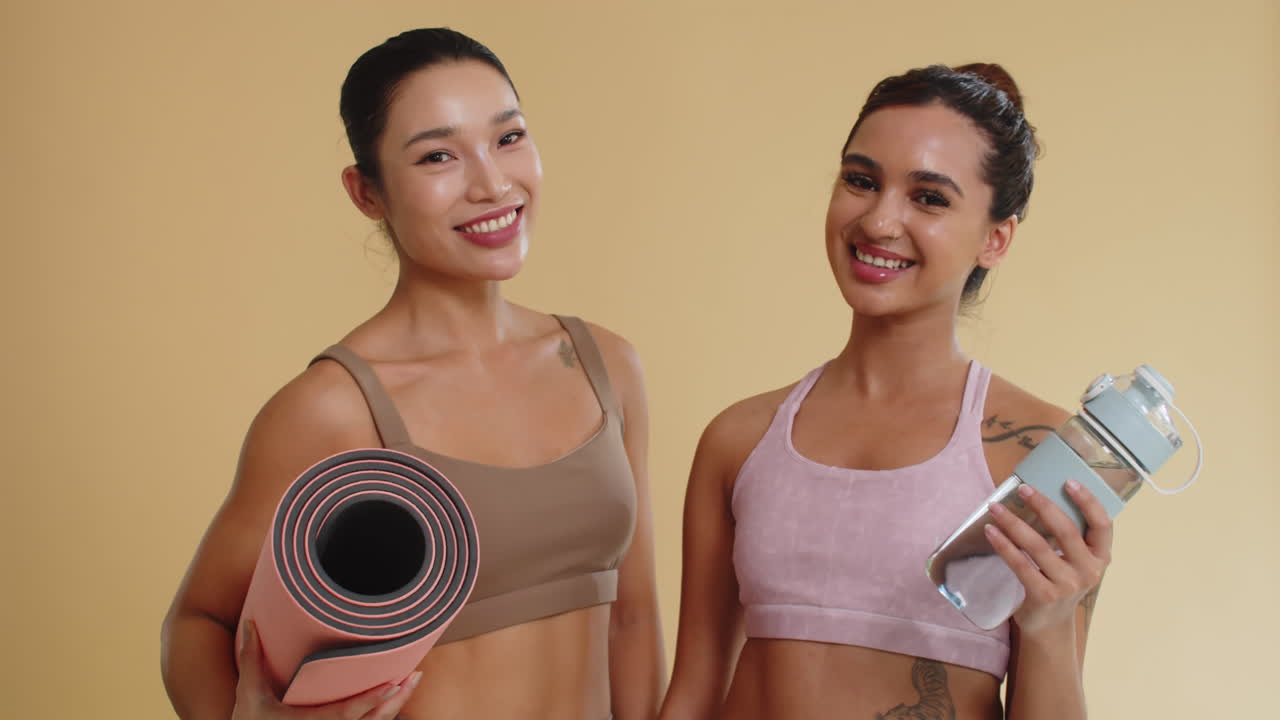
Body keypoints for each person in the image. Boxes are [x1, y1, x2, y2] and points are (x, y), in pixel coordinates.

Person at [161, 28, 664, 720]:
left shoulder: (605, 364)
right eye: (437, 156)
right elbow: (198, 623)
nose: (491, 183)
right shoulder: (332, 408)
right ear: (367, 193)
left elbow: (633, 621)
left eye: (508, 138)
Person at [658, 63, 1111, 719]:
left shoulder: (1040, 454)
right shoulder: (738, 441)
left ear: (996, 237)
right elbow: (693, 694)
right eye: (861, 181)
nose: (878, 220)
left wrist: (1046, 625)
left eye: (928, 197)